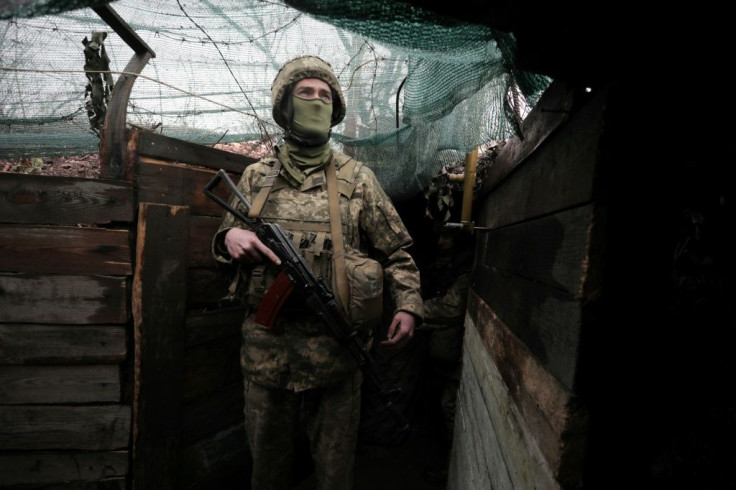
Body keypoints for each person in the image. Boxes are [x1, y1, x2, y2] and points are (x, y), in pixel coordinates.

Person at [211, 55, 423, 490]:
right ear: (285, 106)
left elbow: (397, 251)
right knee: (267, 471)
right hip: (267, 355)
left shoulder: (358, 178)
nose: (315, 101)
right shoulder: (256, 177)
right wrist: (229, 240)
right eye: (304, 94)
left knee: (334, 474)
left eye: (324, 96)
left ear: (334, 109)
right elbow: (222, 241)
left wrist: (409, 306)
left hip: (336, 356)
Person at [418, 224, 474, 483]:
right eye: (439, 235)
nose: (440, 241)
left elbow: (451, 309)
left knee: (450, 409)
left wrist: (414, 310)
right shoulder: (442, 265)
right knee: (439, 410)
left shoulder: (465, 269)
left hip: (454, 354)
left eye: (447, 236)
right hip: (440, 352)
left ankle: (451, 474)